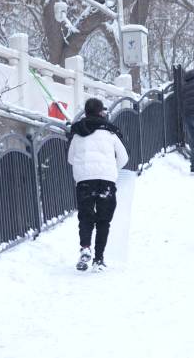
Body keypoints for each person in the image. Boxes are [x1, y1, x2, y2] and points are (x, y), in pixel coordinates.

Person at [68, 98, 129, 272]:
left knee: (86, 217)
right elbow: (124, 157)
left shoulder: (78, 133)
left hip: (84, 182)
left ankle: (85, 246)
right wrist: (111, 169)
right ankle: (98, 260)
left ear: (86, 112)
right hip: (106, 182)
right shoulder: (110, 132)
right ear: (101, 112)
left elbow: (71, 158)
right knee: (104, 221)